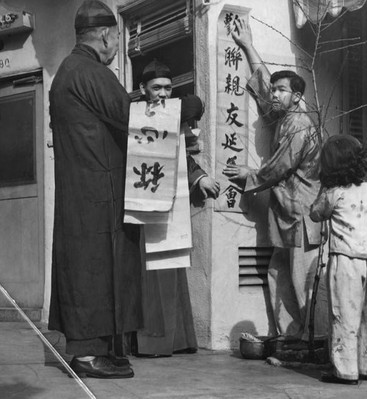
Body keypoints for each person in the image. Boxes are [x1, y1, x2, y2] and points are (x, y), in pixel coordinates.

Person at [48, 0, 141, 379]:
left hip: (80, 192)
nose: (117, 46)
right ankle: (88, 354)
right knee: (97, 269)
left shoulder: (67, 72)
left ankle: (95, 349)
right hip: (98, 192)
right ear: (105, 35)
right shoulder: (91, 71)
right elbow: (129, 116)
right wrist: (185, 109)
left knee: (87, 267)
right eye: (117, 37)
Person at [224, 18, 324, 342]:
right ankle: (287, 337)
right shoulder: (283, 116)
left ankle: (302, 339)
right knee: (277, 272)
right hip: (282, 211)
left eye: (283, 91)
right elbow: (265, 89)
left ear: (296, 97)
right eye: (277, 90)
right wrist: (248, 46)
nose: (276, 95)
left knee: (297, 277)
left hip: (300, 213)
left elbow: (279, 167)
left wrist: (249, 174)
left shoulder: (299, 124)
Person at [131, 60, 220, 357]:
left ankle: (177, 339)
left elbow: (184, 151)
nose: (163, 94)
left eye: (168, 88)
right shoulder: (133, 117)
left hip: (171, 203)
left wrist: (200, 177)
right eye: (156, 88)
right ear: (142, 89)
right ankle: (150, 342)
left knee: (171, 266)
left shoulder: (173, 115)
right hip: (140, 206)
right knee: (147, 273)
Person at [310, 135, 367, 385]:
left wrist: (322, 187)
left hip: (346, 262)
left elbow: (315, 213)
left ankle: (346, 371)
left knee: (344, 316)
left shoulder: (332, 194)